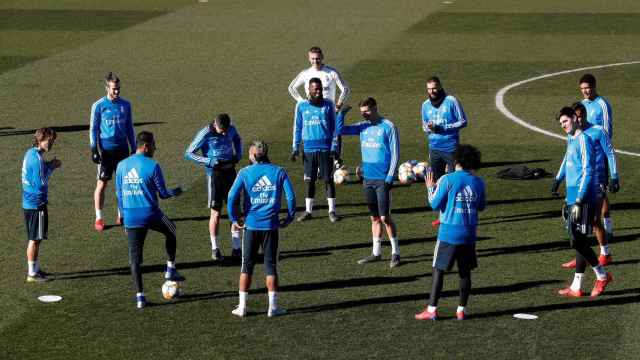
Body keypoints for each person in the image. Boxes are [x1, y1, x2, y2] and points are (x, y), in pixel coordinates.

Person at [415, 144, 485, 321]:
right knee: (465, 272)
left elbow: (434, 204)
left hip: (448, 233)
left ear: (456, 160)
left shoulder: (447, 179)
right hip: (469, 234)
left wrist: (430, 187)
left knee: (438, 270)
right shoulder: (478, 182)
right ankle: (461, 309)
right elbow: (481, 206)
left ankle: (432, 310)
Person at [116, 131, 184, 309]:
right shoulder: (153, 166)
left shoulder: (122, 165)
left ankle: (140, 297)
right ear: (145, 147)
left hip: (130, 216)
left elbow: (119, 193)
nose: (155, 148)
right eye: (153, 145)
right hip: (150, 213)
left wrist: (122, 215)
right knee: (172, 230)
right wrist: (175, 191)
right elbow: (162, 193)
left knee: (135, 259)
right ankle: (170, 268)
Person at [227, 141, 296, 317]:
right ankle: (272, 307)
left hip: (251, 226)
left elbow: (231, 197)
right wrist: (289, 217)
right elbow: (291, 196)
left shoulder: (244, 172)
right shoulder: (279, 171)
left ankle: (242, 307)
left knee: (246, 266)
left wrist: (234, 218)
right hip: (271, 227)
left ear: (252, 155)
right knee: (271, 266)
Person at [551, 107, 612, 298]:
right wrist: (558, 180)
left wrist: (578, 199)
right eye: (561, 124)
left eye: (565, 121)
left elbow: (588, 171)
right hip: (573, 195)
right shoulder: (572, 140)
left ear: (575, 119)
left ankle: (602, 275)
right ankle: (577, 287)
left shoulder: (584, 139)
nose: (563, 126)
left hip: (582, 197)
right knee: (579, 240)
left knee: (576, 240)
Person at [338, 98, 401, 268]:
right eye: (362, 112)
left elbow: (395, 154)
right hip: (368, 179)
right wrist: (341, 113)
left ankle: (395, 252)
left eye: (366, 111)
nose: (364, 114)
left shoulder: (388, 126)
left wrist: (389, 177)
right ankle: (376, 253)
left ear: (375, 108)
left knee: (385, 217)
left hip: (382, 179)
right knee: (374, 218)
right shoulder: (362, 126)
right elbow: (340, 130)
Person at [185, 114, 243, 261]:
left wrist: (239, 153)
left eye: (226, 130)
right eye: (221, 130)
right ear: (215, 125)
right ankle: (215, 248)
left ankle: (236, 248)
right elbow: (188, 153)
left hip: (230, 172)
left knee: (234, 211)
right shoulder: (205, 133)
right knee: (215, 214)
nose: (224, 133)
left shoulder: (231, 129)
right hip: (215, 175)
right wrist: (208, 161)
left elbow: (237, 139)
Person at [90, 72, 136, 231]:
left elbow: (129, 127)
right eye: (114, 89)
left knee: (122, 185)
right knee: (102, 184)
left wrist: (134, 147)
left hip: (122, 149)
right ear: (107, 88)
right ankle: (99, 218)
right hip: (106, 151)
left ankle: (121, 214)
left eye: (118, 89)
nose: (117, 91)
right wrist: (94, 149)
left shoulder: (126, 105)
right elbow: (93, 129)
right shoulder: (98, 106)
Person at [421, 76, 468, 228]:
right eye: (429, 89)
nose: (431, 91)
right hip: (434, 149)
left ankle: (459, 214)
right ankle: (443, 216)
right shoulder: (425, 105)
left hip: (451, 148)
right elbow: (423, 126)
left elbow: (463, 121)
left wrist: (443, 128)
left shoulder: (451, 101)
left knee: (456, 183)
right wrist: (429, 127)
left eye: (434, 88)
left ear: (440, 86)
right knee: (438, 183)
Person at [291, 77, 340, 223]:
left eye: (320, 89)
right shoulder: (301, 106)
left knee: (328, 180)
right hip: (308, 149)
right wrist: (295, 147)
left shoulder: (329, 104)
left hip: (325, 148)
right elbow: (297, 128)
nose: (319, 91)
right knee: (309, 181)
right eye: (315, 89)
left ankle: (332, 211)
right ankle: (308, 211)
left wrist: (334, 147)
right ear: (309, 90)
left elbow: (334, 128)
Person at [578, 73, 616, 246]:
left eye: (588, 88)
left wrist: (603, 153)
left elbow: (607, 131)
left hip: (600, 156)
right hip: (586, 156)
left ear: (594, 86)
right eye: (582, 89)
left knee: (602, 191)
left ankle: (608, 228)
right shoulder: (582, 105)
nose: (585, 91)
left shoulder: (603, 104)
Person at [22, 128, 61, 282]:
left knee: (36, 238)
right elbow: (41, 182)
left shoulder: (31, 153)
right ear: (40, 140)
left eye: (52, 141)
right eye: (49, 141)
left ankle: (36, 268)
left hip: (30, 202)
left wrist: (49, 163)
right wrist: (52, 167)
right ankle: (32, 273)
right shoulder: (36, 159)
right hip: (36, 203)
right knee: (34, 239)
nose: (51, 144)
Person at [288, 46, 350, 111]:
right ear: (309, 59)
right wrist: (302, 102)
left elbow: (345, 89)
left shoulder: (332, 72)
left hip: (328, 111)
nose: (315, 61)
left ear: (322, 57)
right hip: (310, 111)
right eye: (313, 58)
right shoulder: (305, 73)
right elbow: (291, 88)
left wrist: (338, 105)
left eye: (317, 58)